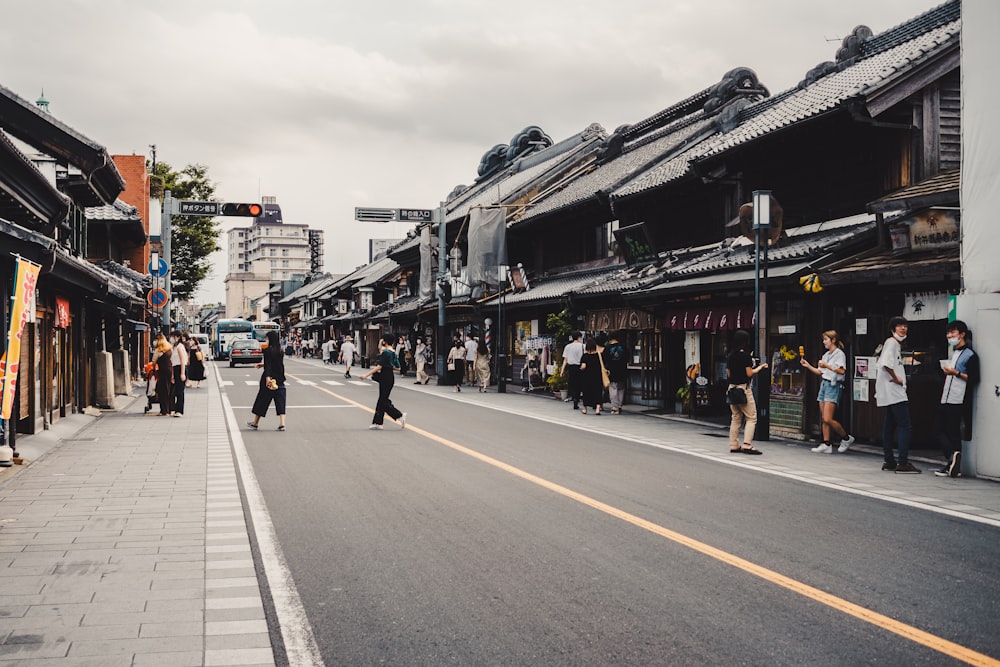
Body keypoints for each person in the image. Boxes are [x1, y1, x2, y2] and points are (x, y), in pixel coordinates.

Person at [934, 320, 978, 478]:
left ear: (962, 334)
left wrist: (955, 373)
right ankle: (953, 458)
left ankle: (952, 464)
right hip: (946, 396)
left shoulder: (970, 355)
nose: (949, 336)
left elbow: (974, 378)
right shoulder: (954, 353)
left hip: (958, 398)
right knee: (939, 429)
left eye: (953, 333)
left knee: (952, 431)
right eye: (948, 333)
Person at [800, 330, 855, 453]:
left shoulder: (839, 354)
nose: (824, 342)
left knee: (828, 418)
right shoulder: (826, 355)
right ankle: (827, 443)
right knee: (824, 418)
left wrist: (827, 366)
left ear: (833, 340)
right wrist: (807, 365)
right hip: (824, 384)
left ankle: (846, 438)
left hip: (833, 385)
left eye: (826, 339)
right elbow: (820, 372)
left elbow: (842, 371)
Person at [875, 316, 918, 473]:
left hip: (888, 392)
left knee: (889, 426)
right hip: (894, 391)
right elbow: (886, 364)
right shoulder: (892, 343)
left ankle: (889, 460)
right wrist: (897, 379)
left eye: (905, 326)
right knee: (905, 426)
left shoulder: (893, 344)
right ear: (893, 329)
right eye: (899, 326)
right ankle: (902, 462)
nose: (903, 329)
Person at [726, 329, 767, 454]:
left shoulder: (730, 356)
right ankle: (747, 444)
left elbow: (728, 374)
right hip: (743, 388)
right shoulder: (746, 356)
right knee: (751, 417)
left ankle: (733, 444)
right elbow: (749, 373)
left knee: (736, 417)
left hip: (732, 388)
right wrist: (760, 367)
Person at [360, 334, 406, 430]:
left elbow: (379, 366)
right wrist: (389, 365)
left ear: (384, 341)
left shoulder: (386, 353)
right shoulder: (393, 352)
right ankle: (378, 423)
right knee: (382, 400)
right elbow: (398, 368)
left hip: (385, 377)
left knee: (383, 400)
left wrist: (366, 375)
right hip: (390, 376)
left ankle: (399, 415)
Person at [247, 330, 287, 431]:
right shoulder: (280, 350)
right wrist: (263, 365)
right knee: (281, 401)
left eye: (267, 338)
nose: (266, 340)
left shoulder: (268, 351)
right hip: (279, 379)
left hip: (269, 379)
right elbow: (277, 365)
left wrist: (268, 378)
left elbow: (269, 366)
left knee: (262, 401)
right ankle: (282, 424)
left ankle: (255, 423)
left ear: (270, 339)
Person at [603, 331, 628, 414]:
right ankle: (620, 405)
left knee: (613, 388)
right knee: (621, 388)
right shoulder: (624, 347)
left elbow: (604, 359)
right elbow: (628, 358)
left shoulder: (608, 348)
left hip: (611, 370)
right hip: (622, 369)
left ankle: (615, 407)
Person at [579, 338, 604, 415]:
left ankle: (585, 409)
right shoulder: (599, 355)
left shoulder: (585, 356)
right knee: (598, 392)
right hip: (597, 376)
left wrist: (580, 368)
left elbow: (583, 366)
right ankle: (597, 409)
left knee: (586, 392)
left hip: (587, 377)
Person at [560, 331, 585, 409]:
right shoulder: (583, 346)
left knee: (573, 384)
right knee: (580, 384)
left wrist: (562, 370)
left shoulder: (568, 346)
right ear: (579, 337)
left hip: (571, 367)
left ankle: (574, 398)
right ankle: (578, 398)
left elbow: (565, 360)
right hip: (580, 367)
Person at [153, 334, 173, 416]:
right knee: (169, 389)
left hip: (162, 371)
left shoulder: (158, 350)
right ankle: (170, 409)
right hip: (170, 370)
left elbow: (154, 361)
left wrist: (154, 368)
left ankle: (164, 410)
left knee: (162, 390)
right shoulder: (170, 349)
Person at [169, 330, 188, 417]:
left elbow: (182, 360)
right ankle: (176, 409)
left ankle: (180, 410)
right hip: (176, 368)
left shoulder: (180, 347)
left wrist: (182, 373)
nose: (172, 339)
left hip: (181, 368)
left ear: (178, 337)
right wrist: (172, 375)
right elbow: (173, 362)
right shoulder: (174, 347)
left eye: (173, 337)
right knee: (176, 391)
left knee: (180, 391)